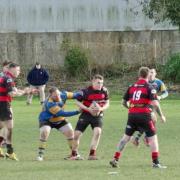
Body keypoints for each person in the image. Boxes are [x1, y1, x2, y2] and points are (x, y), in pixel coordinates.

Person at [109, 67, 167, 168]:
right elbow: (155, 104)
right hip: (144, 115)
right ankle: (156, 162)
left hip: (132, 115)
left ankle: (115, 159)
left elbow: (123, 102)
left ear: (139, 75)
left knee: (125, 138)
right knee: (153, 139)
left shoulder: (131, 86)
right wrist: (161, 115)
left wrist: (131, 109)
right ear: (148, 75)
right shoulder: (149, 87)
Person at [68, 74, 109, 160]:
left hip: (98, 115)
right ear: (93, 82)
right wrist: (87, 109)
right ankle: (74, 154)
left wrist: (101, 108)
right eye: (98, 83)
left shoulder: (104, 91)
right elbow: (77, 102)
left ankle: (92, 154)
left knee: (98, 132)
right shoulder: (85, 91)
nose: (100, 85)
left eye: (101, 83)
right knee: (77, 134)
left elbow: (107, 103)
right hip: (86, 114)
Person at [36, 87, 82, 161]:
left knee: (70, 132)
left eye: (58, 94)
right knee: (45, 132)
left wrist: (84, 95)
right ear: (50, 96)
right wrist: (77, 111)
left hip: (60, 119)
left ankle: (74, 154)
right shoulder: (49, 103)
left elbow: (77, 95)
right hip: (47, 120)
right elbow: (63, 113)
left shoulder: (64, 94)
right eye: (55, 96)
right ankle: (40, 154)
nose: (58, 97)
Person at [0, 63, 35, 160]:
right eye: (18, 70)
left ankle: (8, 151)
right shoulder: (8, 79)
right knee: (9, 127)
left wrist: (26, 91)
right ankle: (10, 152)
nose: (19, 72)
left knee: (4, 127)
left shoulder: (7, 78)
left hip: (3, 104)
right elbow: (12, 94)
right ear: (12, 69)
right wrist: (25, 92)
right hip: (3, 104)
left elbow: (15, 90)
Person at [132, 68, 168, 146]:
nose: (151, 74)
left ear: (155, 73)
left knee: (152, 121)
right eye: (150, 72)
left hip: (152, 105)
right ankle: (144, 137)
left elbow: (166, 93)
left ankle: (139, 138)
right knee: (151, 120)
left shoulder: (159, 82)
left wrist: (160, 97)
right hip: (144, 105)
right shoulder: (145, 82)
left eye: (152, 72)